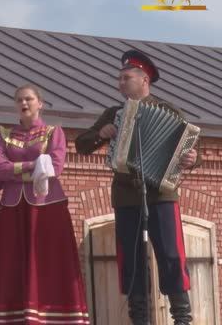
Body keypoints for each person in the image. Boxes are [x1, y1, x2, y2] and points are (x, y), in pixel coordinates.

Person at [75, 50, 199, 325]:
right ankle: (139, 319)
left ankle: (182, 318)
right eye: (119, 78)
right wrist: (101, 133)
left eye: (126, 78)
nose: (120, 83)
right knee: (131, 260)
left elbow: (190, 150)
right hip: (126, 196)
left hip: (161, 195)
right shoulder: (113, 114)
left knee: (171, 254)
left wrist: (192, 159)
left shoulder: (168, 111)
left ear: (144, 80)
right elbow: (82, 145)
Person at [0, 84, 89, 324]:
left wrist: (14, 170)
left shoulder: (54, 132)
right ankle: (16, 315)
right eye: (20, 100)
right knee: (13, 260)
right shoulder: (4, 135)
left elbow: (55, 167)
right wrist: (32, 166)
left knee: (47, 258)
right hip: (13, 207)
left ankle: (54, 314)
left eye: (29, 99)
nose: (24, 104)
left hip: (46, 206)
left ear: (40, 103)